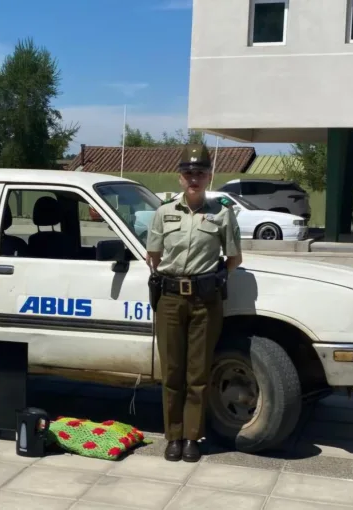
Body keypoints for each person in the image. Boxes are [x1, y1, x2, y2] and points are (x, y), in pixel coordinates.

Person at [145, 144, 243, 463]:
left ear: (209, 177)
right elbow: (153, 256)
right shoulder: (163, 213)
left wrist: (209, 280)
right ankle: (172, 437)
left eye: (200, 173)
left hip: (205, 301)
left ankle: (192, 437)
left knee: (197, 375)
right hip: (171, 300)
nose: (194, 179)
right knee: (173, 372)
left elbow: (234, 258)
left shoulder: (223, 215)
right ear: (179, 178)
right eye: (188, 173)